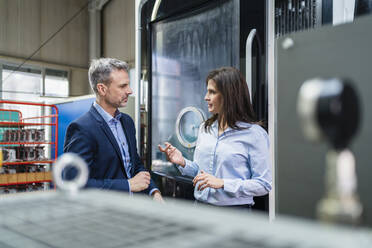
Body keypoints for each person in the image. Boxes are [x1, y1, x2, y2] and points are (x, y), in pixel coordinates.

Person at [159, 67, 271, 207]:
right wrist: (182, 162)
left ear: (229, 95)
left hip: (233, 214)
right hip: (200, 208)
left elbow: (264, 184)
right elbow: (202, 174)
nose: (206, 97)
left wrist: (223, 183)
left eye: (212, 92)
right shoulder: (205, 128)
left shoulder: (255, 134)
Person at [64, 58, 163, 202]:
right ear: (102, 89)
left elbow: (135, 164)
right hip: (102, 214)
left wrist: (153, 191)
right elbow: (74, 182)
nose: (129, 91)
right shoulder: (82, 129)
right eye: (123, 86)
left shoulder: (127, 122)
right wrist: (128, 185)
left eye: (128, 85)